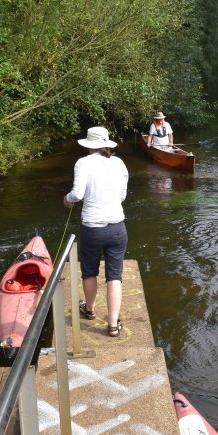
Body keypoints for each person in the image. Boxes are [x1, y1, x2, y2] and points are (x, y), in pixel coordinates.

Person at [63, 126, 129, 337]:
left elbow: (77, 194)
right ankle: (112, 325)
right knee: (115, 276)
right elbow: (122, 196)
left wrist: (67, 200)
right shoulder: (119, 163)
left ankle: (90, 310)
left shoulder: (83, 163)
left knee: (90, 271)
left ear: (90, 145)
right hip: (117, 227)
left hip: (92, 228)